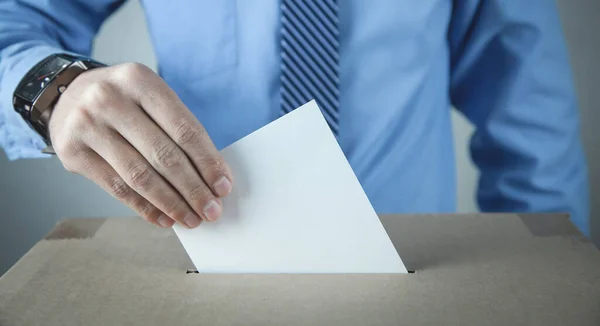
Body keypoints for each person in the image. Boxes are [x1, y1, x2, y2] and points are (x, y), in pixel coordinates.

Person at [0, 1, 590, 235]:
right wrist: (54, 89)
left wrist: (548, 280)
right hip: (208, 259)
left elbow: (529, 110)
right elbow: (14, 24)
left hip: (415, 268)